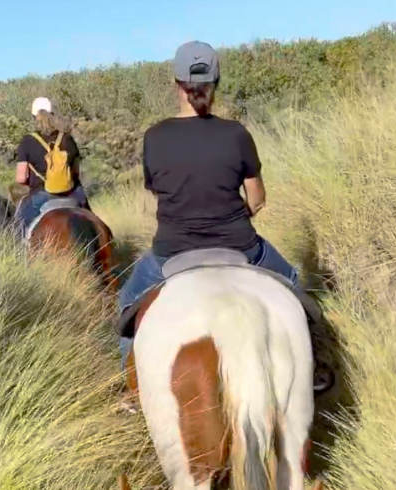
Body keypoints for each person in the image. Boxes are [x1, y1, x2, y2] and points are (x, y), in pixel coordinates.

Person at [118, 41, 330, 390]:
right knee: (294, 286)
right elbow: (257, 198)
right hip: (241, 245)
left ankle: (130, 386)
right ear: (215, 84)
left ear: (177, 84)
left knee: (126, 304)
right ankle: (316, 365)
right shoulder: (237, 134)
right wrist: (233, 216)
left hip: (172, 251)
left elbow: (157, 194)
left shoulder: (154, 137)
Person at [14, 97, 89, 236]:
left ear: (34, 117)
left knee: (18, 227)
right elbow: (76, 172)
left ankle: (20, 254)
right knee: (93, 220)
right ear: (52, 115)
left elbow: (20, 178)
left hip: (42, 194)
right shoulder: (67, 138)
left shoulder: (27, 141)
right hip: (71, 193)